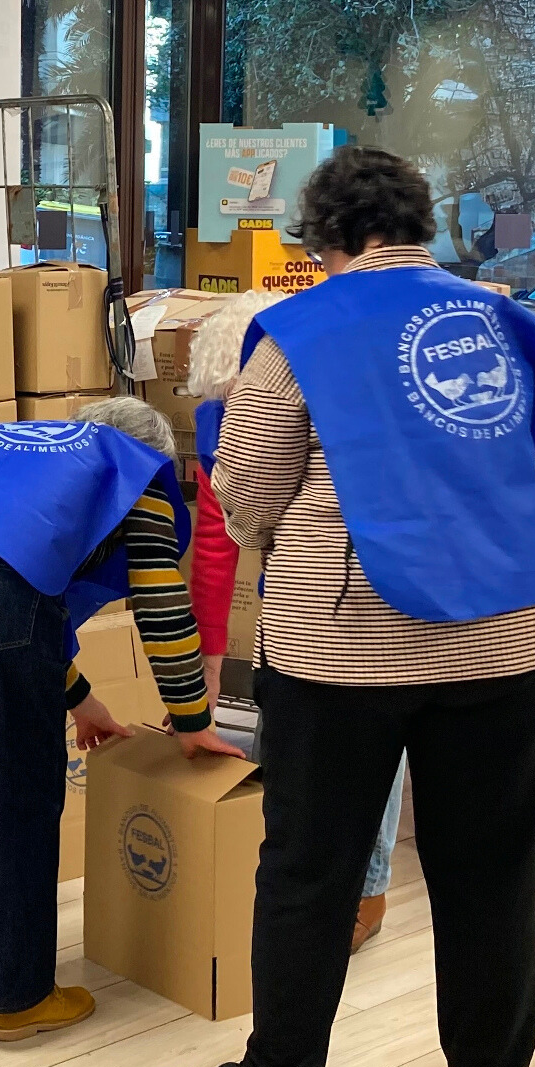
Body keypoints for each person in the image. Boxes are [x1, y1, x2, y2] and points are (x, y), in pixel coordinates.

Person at [203, 146, 535, 1067]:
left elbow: (248, 487)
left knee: (311, 872)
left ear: (322, 239)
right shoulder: (502, 320)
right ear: (420, 225)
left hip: (344, 643)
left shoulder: (296, 333)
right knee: (488, 877)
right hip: (509, 633)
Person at [0, 395, 242, 1041]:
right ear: (151, 454)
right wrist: (192, 716)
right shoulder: (130, 472)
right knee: (19, 791)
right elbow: (159, 604)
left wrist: (81, 700)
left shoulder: (15, 453)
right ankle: (16, 994)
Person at [189, 291, 405, 956]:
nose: (238, 419)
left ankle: (367, 889)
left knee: (374, 740)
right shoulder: (215, 422)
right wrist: (202, 668)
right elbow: (215, 547)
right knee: (293, 736)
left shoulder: (354, 407)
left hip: (386, 594)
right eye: (230, 405)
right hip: (301, 599)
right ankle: (283, 861)